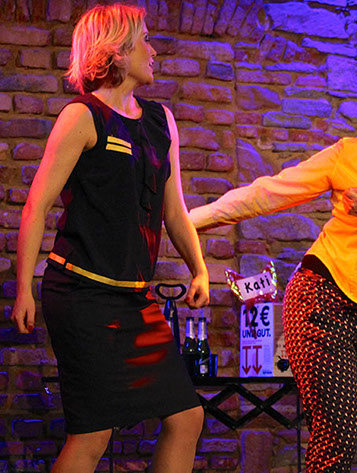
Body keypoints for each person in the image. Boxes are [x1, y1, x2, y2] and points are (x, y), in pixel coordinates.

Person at [190, 55, 357, 472]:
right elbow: (269, 192)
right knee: (335, 443)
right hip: (322, 302)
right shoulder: (351, 154)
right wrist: (187, 221)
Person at [10, 4, 209, 473]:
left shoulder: (161, 121)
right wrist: (23, 289)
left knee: (187, 416)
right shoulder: (82, 116)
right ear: (117, 50)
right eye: (145, 39)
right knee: (92, 435)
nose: (153, 50)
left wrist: (200, 269)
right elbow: (36, 206)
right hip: (81, 295)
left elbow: (174, 210)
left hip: (134, 299)